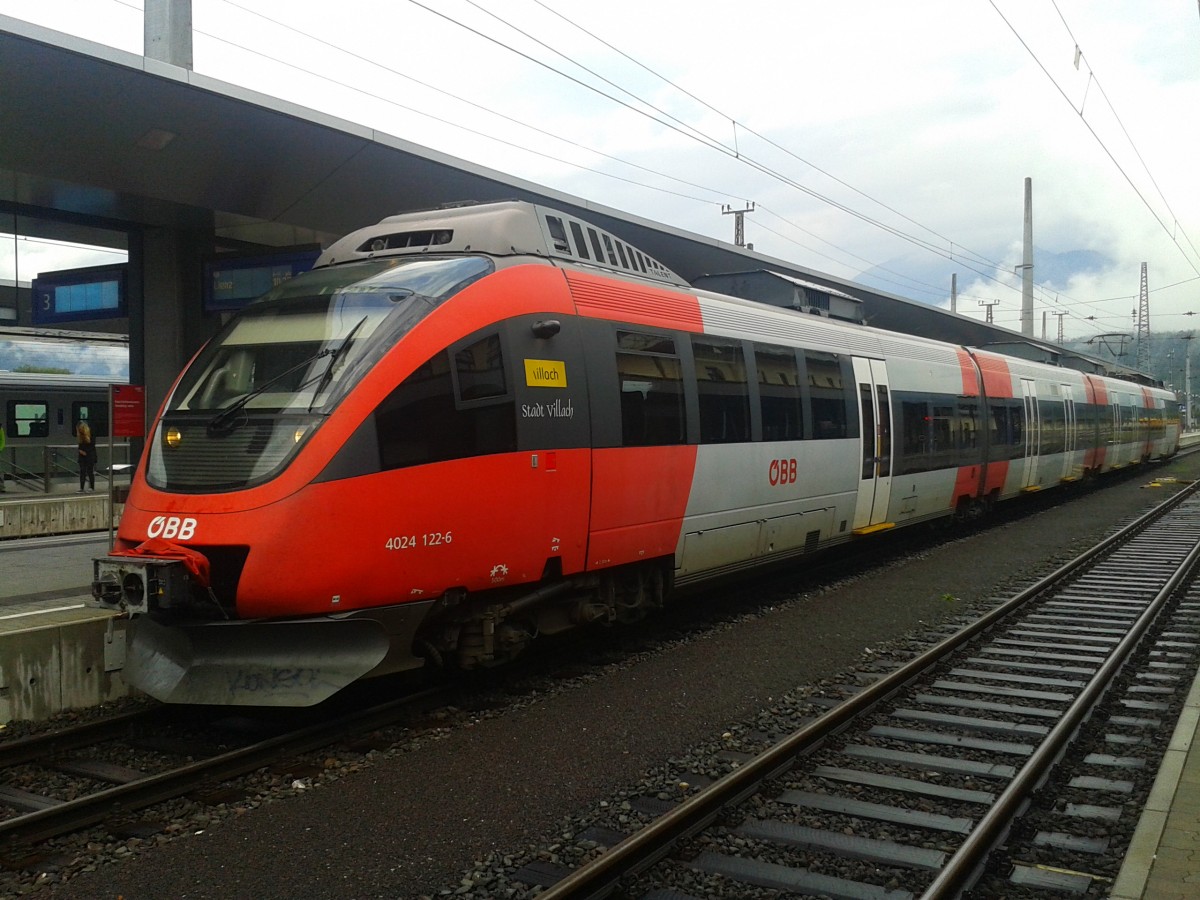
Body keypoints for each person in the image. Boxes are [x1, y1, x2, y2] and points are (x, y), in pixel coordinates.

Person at [77, 421, 97, 492]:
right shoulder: (80, 436)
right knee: (82, 471)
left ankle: (92, 487)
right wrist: (80, 451)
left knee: (90, 471)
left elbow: (92, 445)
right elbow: (80, 446)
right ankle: (81, 487)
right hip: (83, 456)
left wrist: (85, 452)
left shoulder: (91, 435)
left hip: (89, 455)